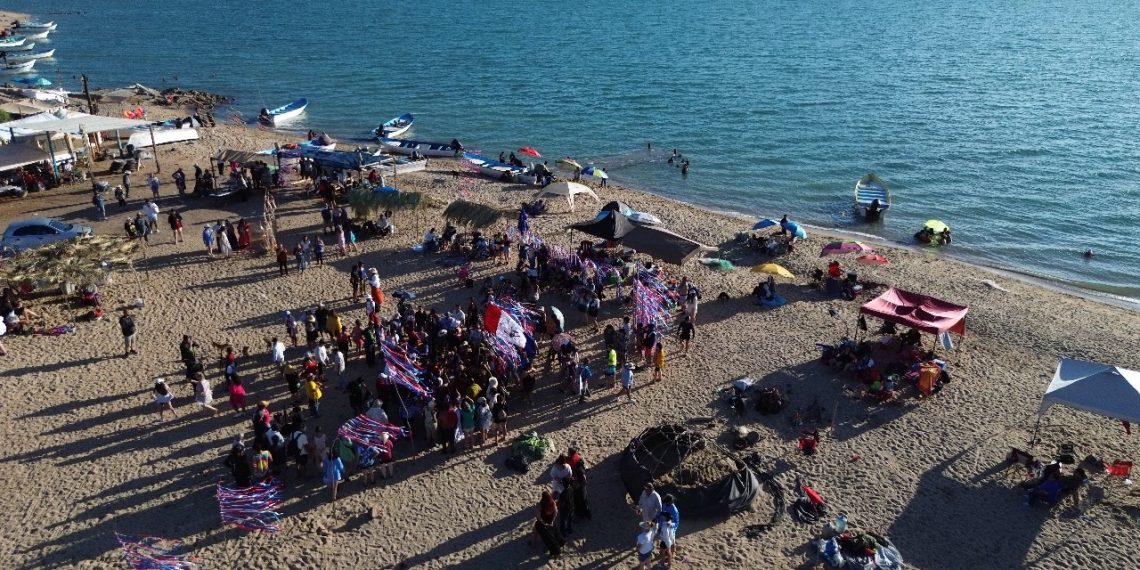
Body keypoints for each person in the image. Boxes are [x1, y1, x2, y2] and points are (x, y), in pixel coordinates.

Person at [533, 491, 565, 558]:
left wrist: (545, 523)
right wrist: (552, 521)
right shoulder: (553, 503)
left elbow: (538, 517)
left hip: (543, 523)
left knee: (537, 526)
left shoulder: (540, 505)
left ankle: (534, 541)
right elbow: (556, 512)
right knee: (554, 533)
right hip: (550, 522)